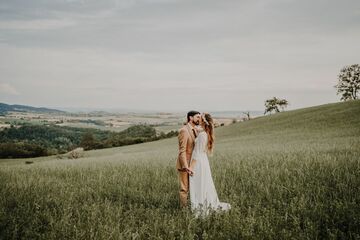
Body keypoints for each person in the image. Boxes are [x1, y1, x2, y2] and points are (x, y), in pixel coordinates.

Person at [189, 113, 231, 217]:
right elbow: (198, 129)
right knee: (203, 183)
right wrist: (195, 129)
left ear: (203, 122)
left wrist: (191, 167)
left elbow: (196, 153)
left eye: (200, 118)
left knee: (199, 183)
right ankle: (202, 203)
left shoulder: (203, 135)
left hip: (198, 163)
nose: (198, 119)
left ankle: (201, 207)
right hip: (203, 161)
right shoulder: (204, 132)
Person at [176, 110, 201, 208]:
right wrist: (186, 167)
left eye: (200, 117)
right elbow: (182, 151)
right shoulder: (184, 130)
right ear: (190, 118)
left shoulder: (195, 129)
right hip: (185, 164)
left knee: (194, 187)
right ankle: (183, 209)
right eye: (197, 117)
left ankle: (194, 206)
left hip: (193, 164)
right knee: (184, 188)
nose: (199, 119)